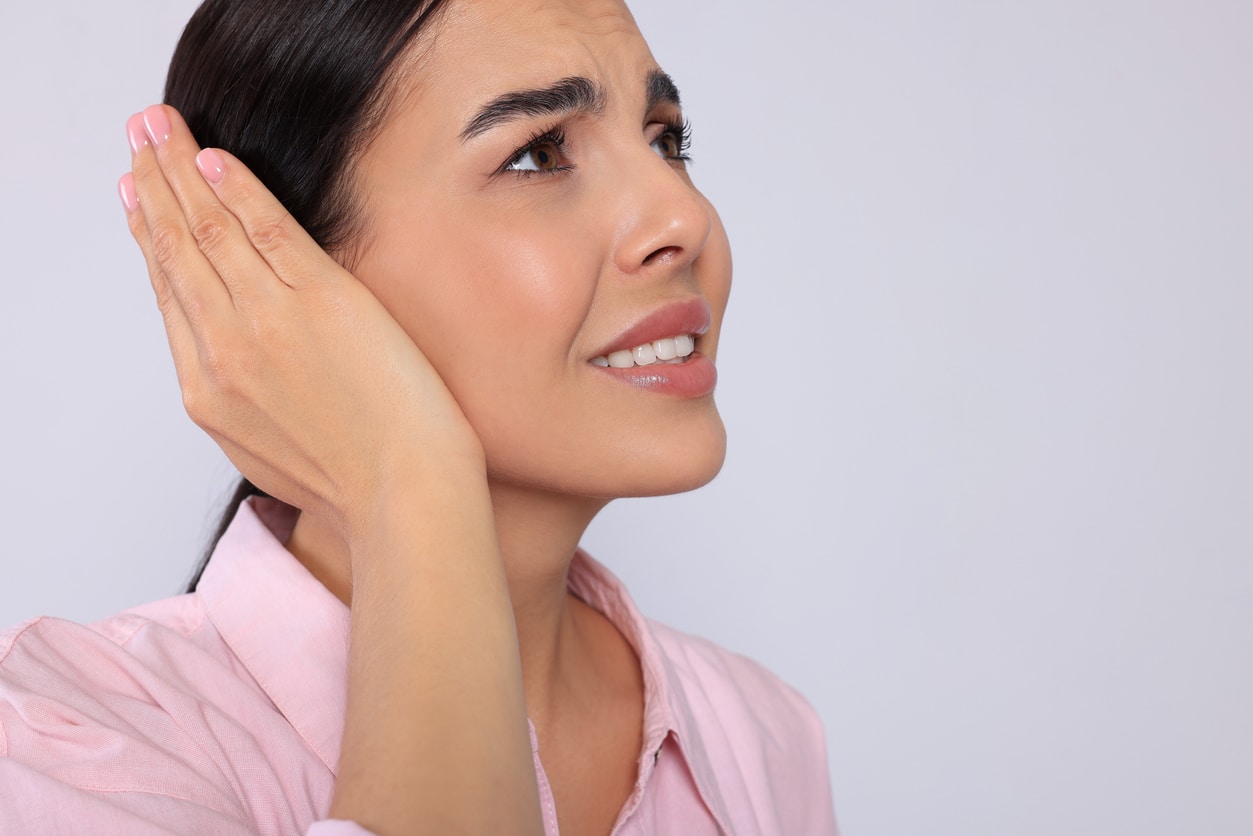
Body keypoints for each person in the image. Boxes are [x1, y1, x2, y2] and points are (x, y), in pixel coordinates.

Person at [0, 0, 837, 833]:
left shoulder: (757, 733)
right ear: (275, 270)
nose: (684, 220)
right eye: (539, 153)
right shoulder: (73, 747)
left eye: (665, 139)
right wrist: (412, 481)